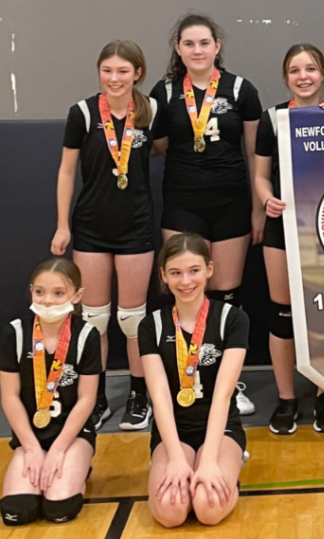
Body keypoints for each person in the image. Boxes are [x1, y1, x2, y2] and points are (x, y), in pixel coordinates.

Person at [150, 14, 261, 415]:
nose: (197, 50)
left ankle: (229, 385)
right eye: (189, 44)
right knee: (186, 292)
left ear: (217, 46)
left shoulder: (241, 89)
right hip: (183, 204)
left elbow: (255, 154)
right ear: (178, 49)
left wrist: (258, 209)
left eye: (204, 43)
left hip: (231, 204)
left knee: (226, 297)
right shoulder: (163, 92)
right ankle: (186, 378)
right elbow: (158, 145)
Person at [50, 40, 157, 431]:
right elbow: (66, 171)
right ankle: (94, 400)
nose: (114, 78)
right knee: (94, 320)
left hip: (136, 227)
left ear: (137, 74)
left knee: (132, 320)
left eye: (123, 71)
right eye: (107, 70)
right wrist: (63, 225)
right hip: (91, 227)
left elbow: (164, 150)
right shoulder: (81, 113)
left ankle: (138, 397)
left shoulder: (151, 110)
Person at [254, 43, 324, 435]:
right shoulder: (272, 119)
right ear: (286, 77)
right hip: (282, 226)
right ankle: (287, 398)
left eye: (310, 69)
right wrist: (266, 199)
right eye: (294, 70)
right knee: (282, 315)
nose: (303, 76)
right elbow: (260, 175)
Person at [139, 233, 249, 527]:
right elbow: (159, 397)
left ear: (209, 269)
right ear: (163, 275)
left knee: (208, 508)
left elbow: (224, 395)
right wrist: (175, 458)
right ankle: (177, 463)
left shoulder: (232, 319)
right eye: (175, 273)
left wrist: (210, 460)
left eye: (194, 270)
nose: (185, 281)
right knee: (171, 512)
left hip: (222, 430)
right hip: (173, 433)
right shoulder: (151, 325)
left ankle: (228, 464)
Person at [0, 259, 101, 526]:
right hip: (30, 436)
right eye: (40, 292)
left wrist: (57, 450)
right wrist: (31, 448)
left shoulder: (86, 335)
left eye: (58, 293)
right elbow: (9, 396)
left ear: (76, 296)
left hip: (72, 437)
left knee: (58, 508)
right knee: (17, 512)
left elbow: (87, 399)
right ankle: (40, 461)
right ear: (31, 292)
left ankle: (78, 471)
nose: (47, 300)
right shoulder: (15, 333)